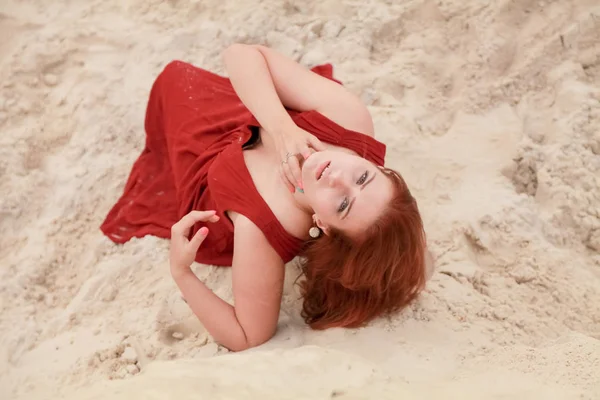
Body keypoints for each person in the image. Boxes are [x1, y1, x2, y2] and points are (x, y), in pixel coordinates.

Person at [101, 43, 430, 351]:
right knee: (183, 77)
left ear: (324, 226)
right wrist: (282, 128)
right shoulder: (348, 120)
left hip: (201, 161)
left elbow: (247, 335)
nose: (336, 177)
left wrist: (182, 273)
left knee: (174, 83)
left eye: (343, 205)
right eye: (363, 176)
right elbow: (239, 54)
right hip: (244, 115)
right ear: (378, 167)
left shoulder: (264, 229)